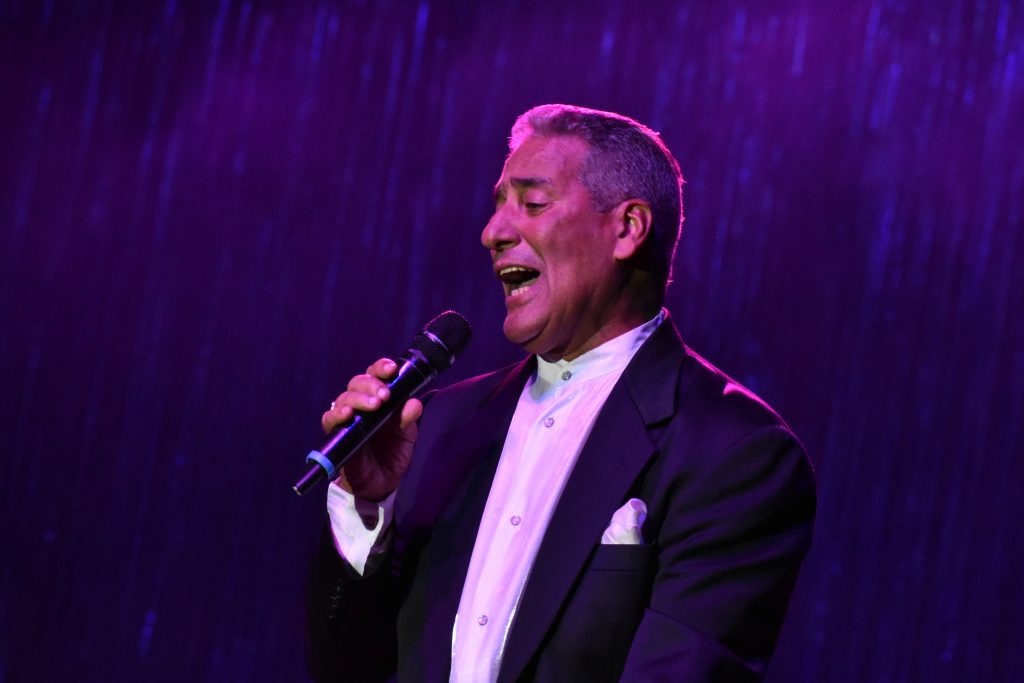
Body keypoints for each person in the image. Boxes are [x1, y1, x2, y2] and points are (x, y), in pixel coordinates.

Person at [306, 104, 816, 682]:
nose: (493, 233)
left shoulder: (733, 452)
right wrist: (365, 507)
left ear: (627, 229)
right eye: (498, 205)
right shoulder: (444, 425)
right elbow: (346, 670)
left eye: (533, 204)